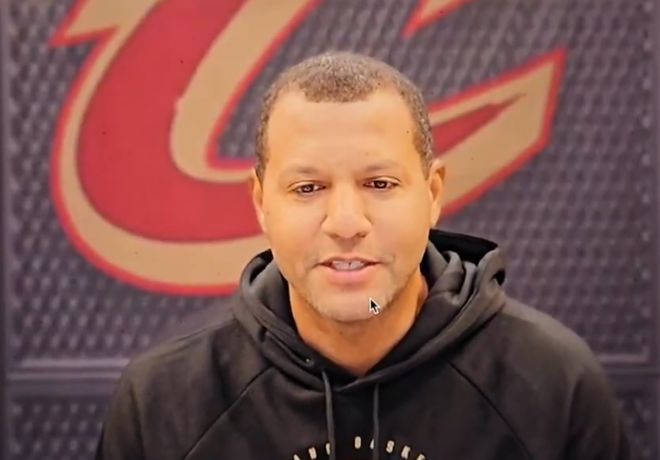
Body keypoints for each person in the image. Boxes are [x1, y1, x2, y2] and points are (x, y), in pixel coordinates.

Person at [95, 51, 631, 460]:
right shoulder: (163, 402)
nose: (346, 223)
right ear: (261, 203)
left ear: (433, 193)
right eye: (308, 188)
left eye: (379, 183)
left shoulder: (555, 387)